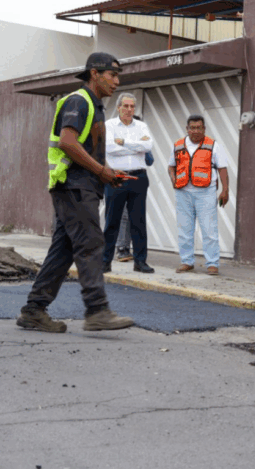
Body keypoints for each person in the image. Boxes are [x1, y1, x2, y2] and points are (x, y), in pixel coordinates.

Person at [16, 52, 134, 333]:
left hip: (79, 185)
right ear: (95, 73)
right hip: (73, 185)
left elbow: (87, 148)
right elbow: (69, 143)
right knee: (91, 243)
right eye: (112, 75)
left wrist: (107, 173)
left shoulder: (95, 106)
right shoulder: (79, 101)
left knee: (64, 249)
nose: (116, 81)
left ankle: (34, 310)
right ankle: (97, 310)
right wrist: (100, 171)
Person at [167, 115, 229, 275]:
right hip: (183, 192)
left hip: (206, 192)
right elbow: (171, 166)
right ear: (187, 129)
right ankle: (187, 261)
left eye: (199, 128)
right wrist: (173, 180)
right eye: (192, 128)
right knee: (184, 229)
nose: (195, 131)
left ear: (204, 129)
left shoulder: (214, 146)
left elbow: (222, 168)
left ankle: (212, 263)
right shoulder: (177, 145)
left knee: (209, 229)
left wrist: (225, 189)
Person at [102, 94, 154, 274]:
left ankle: (140, 262)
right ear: (118, 108)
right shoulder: (109, 125)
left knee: (138, 221)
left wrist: (123, 142)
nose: (129, 110)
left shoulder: (141, 126)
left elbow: (148, 147)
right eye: (125, 106)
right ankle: (105, 261)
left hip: (139, 178)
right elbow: (109, 148)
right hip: (116, 178)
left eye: (132, 106)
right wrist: (136, 146)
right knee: (112, 221)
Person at [115, 115, 155, 263]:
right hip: (120, 180)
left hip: (137, 181)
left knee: (134, 216)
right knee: (123, 215)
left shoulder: (141, 143)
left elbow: (150, 161)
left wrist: (142, 148)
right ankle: (122, 249)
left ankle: (128, 248)